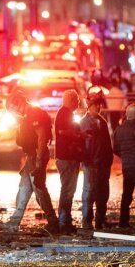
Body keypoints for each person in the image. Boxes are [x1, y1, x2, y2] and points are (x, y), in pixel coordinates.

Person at [0, 90, 60, 234]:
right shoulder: (26, 116)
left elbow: (41, 137)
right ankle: (15, 221)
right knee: (24, 187)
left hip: (36, 156)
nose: (14, 112)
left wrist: (38, 160)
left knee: (39, 189)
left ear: (19, 103)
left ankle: (53, 221)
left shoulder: (35, 113)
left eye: (14, 109)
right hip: (31, 156)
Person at [79, 90, 114, 230]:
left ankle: (100, 219)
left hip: (102, 164)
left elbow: (107, 143)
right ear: (89, 106)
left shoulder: (102, 122)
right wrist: (86, 160)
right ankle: (87, 221)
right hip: (90, 163)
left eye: (98, 105)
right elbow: (82, 145)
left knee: (102, 193)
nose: (98, 108)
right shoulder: (83, 123)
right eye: (95, 105)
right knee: (89, 192)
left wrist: (108, 160)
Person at [54, 89, 86, 233]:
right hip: (67, 158)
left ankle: (65, 220)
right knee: (67, 190)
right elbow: (63, 132)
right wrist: (79, 134)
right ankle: (63, 221)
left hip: (69, 158)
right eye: (77, 100)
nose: (78, 102)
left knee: (68, 190)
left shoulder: (67, 114)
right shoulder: (64, 114)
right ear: (71, 100)